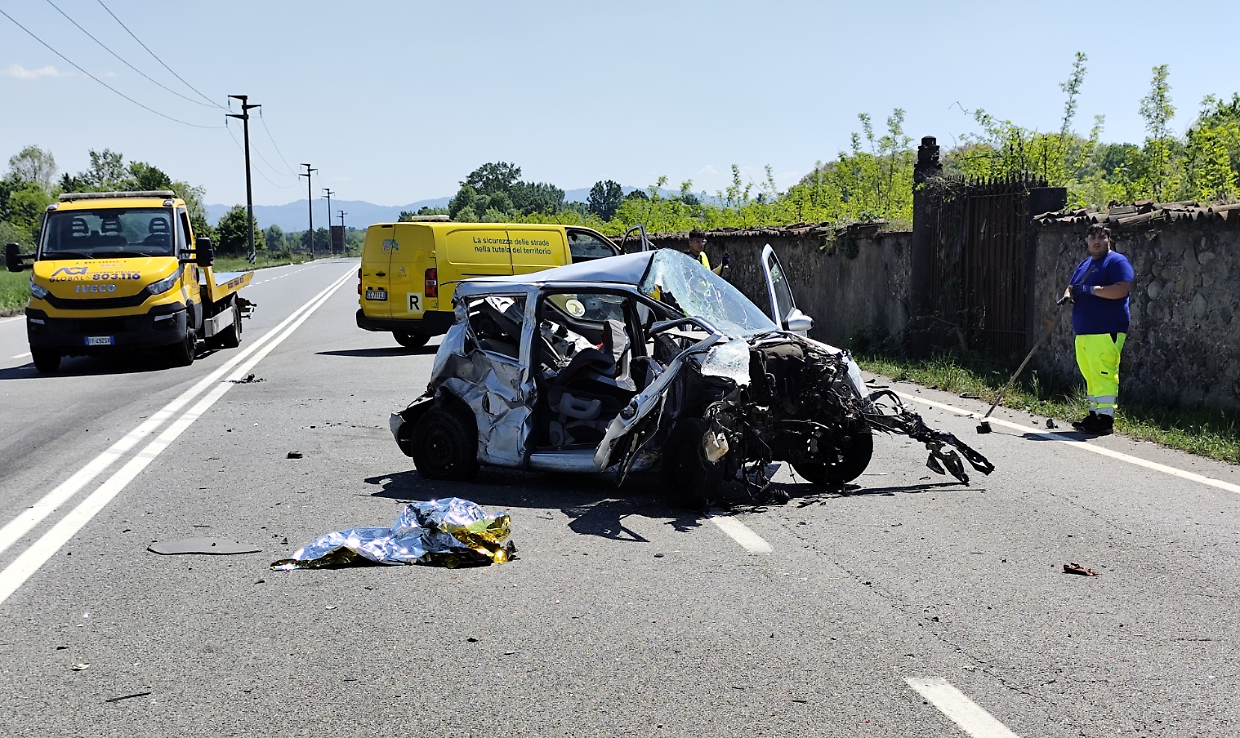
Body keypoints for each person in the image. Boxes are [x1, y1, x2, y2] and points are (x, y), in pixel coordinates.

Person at [1062, 223, 1134, 435]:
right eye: (1092, 237)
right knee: (1091, 375)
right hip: (1084, 331)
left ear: (1108, 240)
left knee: (1104, 373)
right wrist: (1067, 295)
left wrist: (1092, 290)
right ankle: (1094, 414)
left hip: (1106, 329)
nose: (1096, 241)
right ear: (1087, 241)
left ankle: (1105, 419)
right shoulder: (1085, 264)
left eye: (1101, 237)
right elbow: (1073, 286)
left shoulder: (1116, 261)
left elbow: (1121, 289)